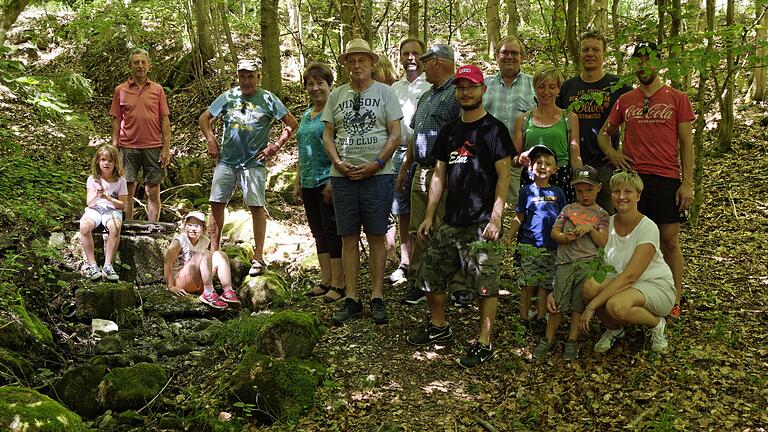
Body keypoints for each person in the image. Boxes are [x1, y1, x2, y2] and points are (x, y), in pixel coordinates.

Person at [406, 65, 512, 368]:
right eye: (461, 87)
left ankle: (484, 341)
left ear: (483, 90)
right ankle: (439, 326)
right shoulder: (450, 130)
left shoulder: (494, 130)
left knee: (484, 284)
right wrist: (429, 216)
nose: (466, 92)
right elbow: (439, 174)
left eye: (472, 87)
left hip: (481, 222)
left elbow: (503, 177)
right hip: (450, 220)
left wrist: (495, 218)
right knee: (430, 275)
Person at [597, 41, 694, 318]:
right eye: (638, 60)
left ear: (658, 62)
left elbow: (687, 143)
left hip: (666, 178)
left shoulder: (677, 98)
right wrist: (613, 154)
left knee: (669, 240)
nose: (643, 65)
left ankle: (673, 297)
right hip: (633, 180)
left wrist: (687, 184)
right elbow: (604, 134)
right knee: (630, 239)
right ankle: (629, 293)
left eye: (648, 59)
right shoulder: (626, 100)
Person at [322, 39, 403, 325]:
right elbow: (327, 135)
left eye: (362, 60)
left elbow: (396, 134)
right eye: (351, 61)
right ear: (345, 64)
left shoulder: (385, 93)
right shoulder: (336, 95)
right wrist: (337, 162)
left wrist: (377, 163)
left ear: (371, 63)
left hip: (378, 176)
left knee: (377, 235)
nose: (357, 66)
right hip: (343, 176)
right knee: (348, 237)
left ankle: (377, 296)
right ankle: (352, 297)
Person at [199, 59, 299, 277]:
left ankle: (259, 256)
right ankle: (214, 252)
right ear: (237, 77)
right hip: (226, 160)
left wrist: (275, 146)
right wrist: (211, 140)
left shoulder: (268, 99)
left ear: (258, 77)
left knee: (256, 206)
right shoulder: (228, 97)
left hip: (253, 163)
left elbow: (292, 123)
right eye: (242, 76)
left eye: (250, 76)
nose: (246, 81)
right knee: (216, 203)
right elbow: (204, 118)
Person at [396, 44, 462, 306]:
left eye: (426, 60)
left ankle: (454, 284)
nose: (421, 66)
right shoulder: (427, 96)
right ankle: (419, 280)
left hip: (444, 171)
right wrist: (405, 165)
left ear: (437, 62)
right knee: (419, 228)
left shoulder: (457, 93)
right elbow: (414, 133)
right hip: (420, 170)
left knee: (446, 227)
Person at [580, 171, 675, 353]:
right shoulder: (607, 224)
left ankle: (657, 324)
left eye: (628, 192)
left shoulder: (648, 227)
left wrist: (592, 307)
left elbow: (630, 276)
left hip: (654, 285)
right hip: (621, 283)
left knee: (616, 305)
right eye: (616, 192)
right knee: (589, 288)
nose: (621, 197)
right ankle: (615, 329)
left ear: (638, 196)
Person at [533, 165, 608, 360]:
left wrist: (590, 229)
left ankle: (572, 341)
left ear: (599, 188)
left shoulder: (602, 214)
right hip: (564, 263)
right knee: (557, 303)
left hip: (587, 265)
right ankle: (547, 339)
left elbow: (603, 242)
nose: (584, 195)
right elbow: (554, 232)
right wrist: (564, 237)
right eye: (580, 191)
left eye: (589, 190)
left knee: (577, 305)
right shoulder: (568, 209)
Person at [556, 30, 631, 212]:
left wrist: (623, 150)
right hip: (573, 165)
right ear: (579, 54)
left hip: (606, 165)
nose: (590, 54)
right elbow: (555, 119)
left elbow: (636, 119)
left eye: (595, 50)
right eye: (585, 50)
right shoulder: (568, 86)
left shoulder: (618, 86)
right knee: (573, 218)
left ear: (603, 53)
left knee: (608, 219)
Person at [293, 63, 345, 303]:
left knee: (332, 231)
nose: (314, 88)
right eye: (310, 84)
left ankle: (339, 282)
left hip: (328, 178)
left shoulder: (334, 112)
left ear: (330, 85)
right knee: (317, 232)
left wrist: (335, 179)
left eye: (319, 83)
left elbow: (341, 147)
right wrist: (297, 181)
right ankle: (325, 279)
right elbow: (302, 150)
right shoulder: (306, 114)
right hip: (308, 181)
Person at [506, 145, 566, 332]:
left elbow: (564, 218)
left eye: (548, 163)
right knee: (527, 283)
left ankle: (541, 318)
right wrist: (509, 236)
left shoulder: (558, 192)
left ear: (555, 170)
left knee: (544, 284)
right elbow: (519, 216)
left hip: (551, 246)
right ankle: (523, 319)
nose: (542, 166)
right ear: (530, 167)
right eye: (538, 162)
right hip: (528, 246)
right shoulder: (526, 191)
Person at [387, 38, 432, 285]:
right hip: (398, 152)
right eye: (406, 53)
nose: (411, 57)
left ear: (423, 57)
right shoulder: (394, 88)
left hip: (425, 153)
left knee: (424, 208)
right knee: (401, 208)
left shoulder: (432, 86)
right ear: (400, 57)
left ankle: (424, 261)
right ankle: (405, 261)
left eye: (416, 53)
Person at [110, 48, 171, 222]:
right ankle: (128, 226)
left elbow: (164, 120)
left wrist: (166, 148)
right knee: (127, 188)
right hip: (127, 147)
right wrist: (114, 148)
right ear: (130, 66)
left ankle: (153, 228)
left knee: (152, 190)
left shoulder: (157, 90)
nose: (140, 66)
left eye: (143, 62)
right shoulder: (120, 90)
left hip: (153, 146)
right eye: (136, 62)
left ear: (149, 66)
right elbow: (116, 120)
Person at [515, 65, 582, 203]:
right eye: (541, 86)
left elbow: (575, 157)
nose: (546, 91)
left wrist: (580, 182)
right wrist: (521, 158)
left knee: (561, 221)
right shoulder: (523, 119)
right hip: (532, 178)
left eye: (552, 87)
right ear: (535, 88)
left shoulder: (569, 117)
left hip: (562, 177)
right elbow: (514, 159)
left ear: (558, 89)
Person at [483, 36, 536, 207]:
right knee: (486, 209)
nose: (510, 57)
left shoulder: (534, 84)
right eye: (505, 52)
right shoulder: (484, 84)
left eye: (515, 53)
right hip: (487, 160)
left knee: (515, 211)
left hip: (519, 163)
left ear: (522, 57)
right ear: (497, 56)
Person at [163, 211, 240, 309]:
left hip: (199, 281)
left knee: (220, 254)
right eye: (189, 225)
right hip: (182, 281)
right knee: (205, 253)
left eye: (197, 226)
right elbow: (167, 262)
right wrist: (170, 286)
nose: (193, 229)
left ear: (203, 228)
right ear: (185, 226)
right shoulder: (180, 240)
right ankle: (208, 292)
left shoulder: (205, 240)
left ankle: (227, 291)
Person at [79, 144, 127, 282]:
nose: (106, 163)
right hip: (95, 210)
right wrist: (97, 195)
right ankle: (92, 265)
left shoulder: (120, 181)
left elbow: (122, 205)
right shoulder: (92, 179)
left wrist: (109, 198)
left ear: (115, 163)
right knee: (84, 226)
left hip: (112, 210)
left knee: (115, 227)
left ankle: (107, 265)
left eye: (110, 160)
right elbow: (90, 203)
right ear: (98, 162)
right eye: (103, 160)